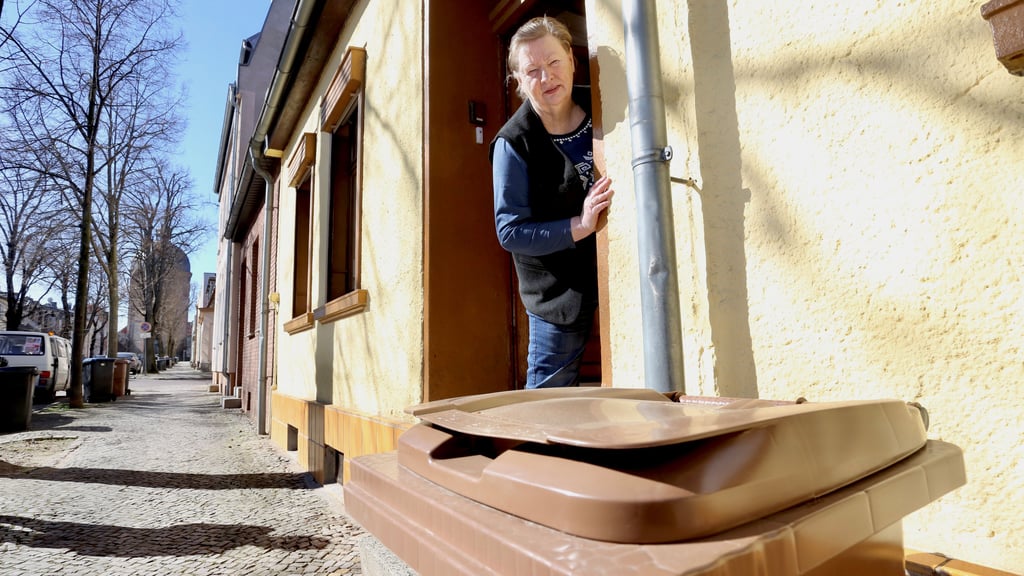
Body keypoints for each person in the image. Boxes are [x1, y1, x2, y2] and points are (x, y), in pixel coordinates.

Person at [490, 16, 614, 389]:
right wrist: (580, 225)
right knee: (547, 399)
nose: (546, 78)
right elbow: (509, 231)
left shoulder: (606, 103)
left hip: (615, 278)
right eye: (532, 70)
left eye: (554, 62)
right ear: (518, 81)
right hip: (556, 296)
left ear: (573, 61)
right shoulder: (513, 142)